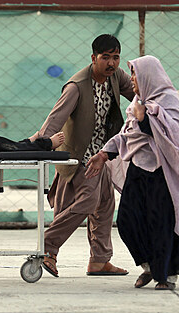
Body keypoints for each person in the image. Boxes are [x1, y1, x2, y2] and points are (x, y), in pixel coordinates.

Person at [85, 55, 179, 290]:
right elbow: (127, 135)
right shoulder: (138, 103)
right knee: (128, 222)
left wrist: (146, 119)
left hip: (164, 174)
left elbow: (175, 136)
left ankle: (166, 276)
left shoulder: (168, 101)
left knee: (162, 223)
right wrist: (104, 154)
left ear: (148, 76)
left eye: (135, 74)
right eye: (131, 74)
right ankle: (149, 267)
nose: (132, 80)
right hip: (139, 171)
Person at [37, 34, 134, 277]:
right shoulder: (76, 86)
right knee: (88, 203)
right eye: (105, 58)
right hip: (79, 158)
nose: (111, 63)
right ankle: (47, 246)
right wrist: (40, 143)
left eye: (115, 58)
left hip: (101, 156)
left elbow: (139, 94)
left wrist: (164, 110)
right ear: (93, 58)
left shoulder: (116, 77)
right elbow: (55, 118)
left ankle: (99, 261)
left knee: (104, 205)